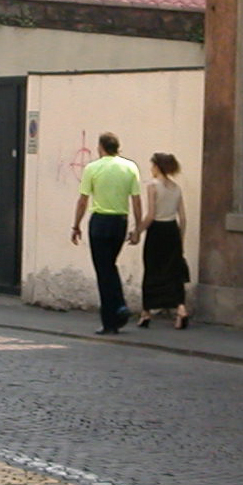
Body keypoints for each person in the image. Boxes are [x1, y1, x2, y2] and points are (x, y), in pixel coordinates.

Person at [71, 132, 142, 335]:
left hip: (100, 222)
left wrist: (76, 225)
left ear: (101, 147)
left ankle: (112, 317)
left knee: (104, 270)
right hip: (120, 221)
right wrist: (137, 228)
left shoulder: (92, 168)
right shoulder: (130, 167)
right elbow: (136, 200)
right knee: (109, 265)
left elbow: (83, 200)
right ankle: (117, 311)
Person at [136, 152, 190, 330]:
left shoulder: (152, 186)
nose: (151, 169)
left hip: (157, 231)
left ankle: (146, 312)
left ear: (157, 166)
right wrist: (180, 239)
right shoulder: (176, 188)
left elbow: (150, 215)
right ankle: (180, 309)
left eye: (152, 165)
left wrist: (138, 231)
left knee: (151, 269)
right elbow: (183, 217)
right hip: (172, 230)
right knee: (173, 272)